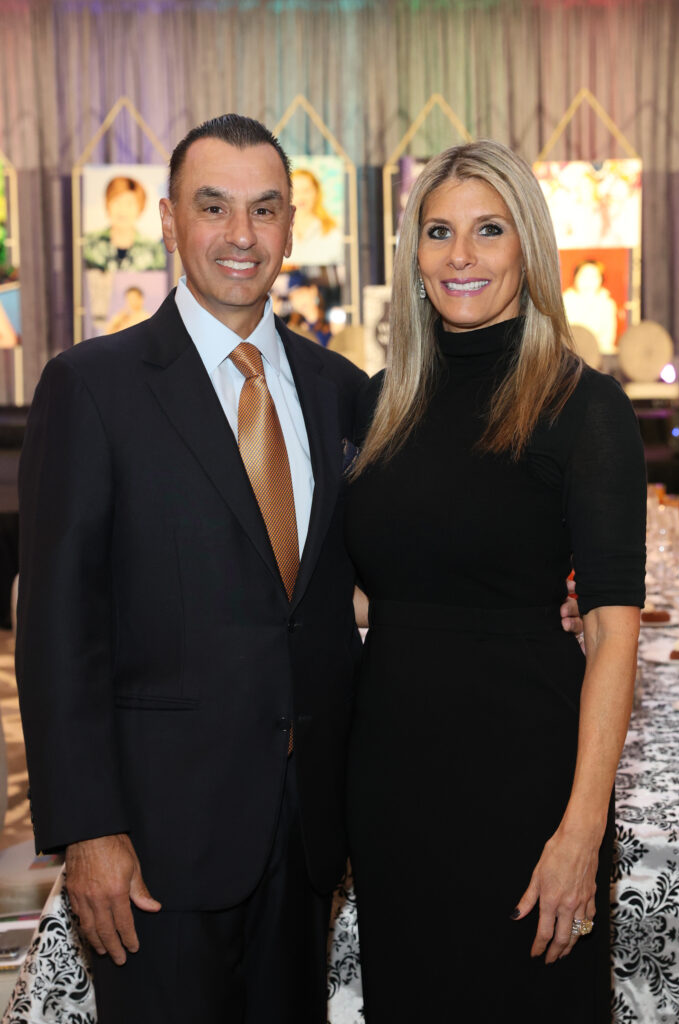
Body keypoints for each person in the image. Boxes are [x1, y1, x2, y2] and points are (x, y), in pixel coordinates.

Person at [16, 114, 367, 1024]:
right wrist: (88, 829)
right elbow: (58, 630)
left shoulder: (338, 389)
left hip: (308, 831)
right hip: (156, 845)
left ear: (293, 226)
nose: (240, 236)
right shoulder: (93, 387)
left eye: (263, 210)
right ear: (169, 221)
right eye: (213, 208)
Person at [344, 140, 645, 1022]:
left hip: (527, 786)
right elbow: (381, 586)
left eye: (488, 230)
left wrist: (581, 830)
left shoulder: (582, 406)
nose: (460, 256)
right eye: (438, 232)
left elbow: (613, 629)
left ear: (528, 247)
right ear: (414, 252)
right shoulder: (379, 403)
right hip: (392, 784)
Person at [83, 175, 167, 272]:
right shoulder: (89, 243)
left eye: (129, 203)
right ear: (107, 204)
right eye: (117, 202)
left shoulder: (153, 250)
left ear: (140, 208)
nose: (122, 209)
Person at [286, 167, 344, 267]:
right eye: (295, 191)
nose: (301, 197)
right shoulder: (279, 233)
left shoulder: (333, 232)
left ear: (317, 193)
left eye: (306, 191)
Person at [562, 258, 619, 355]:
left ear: (601, 279)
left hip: (597, 356)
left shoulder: (607, 305)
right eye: (584, 276)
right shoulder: (565, 301)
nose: (588, 281)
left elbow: (608, 338)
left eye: (593, 277)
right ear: (575, 277)